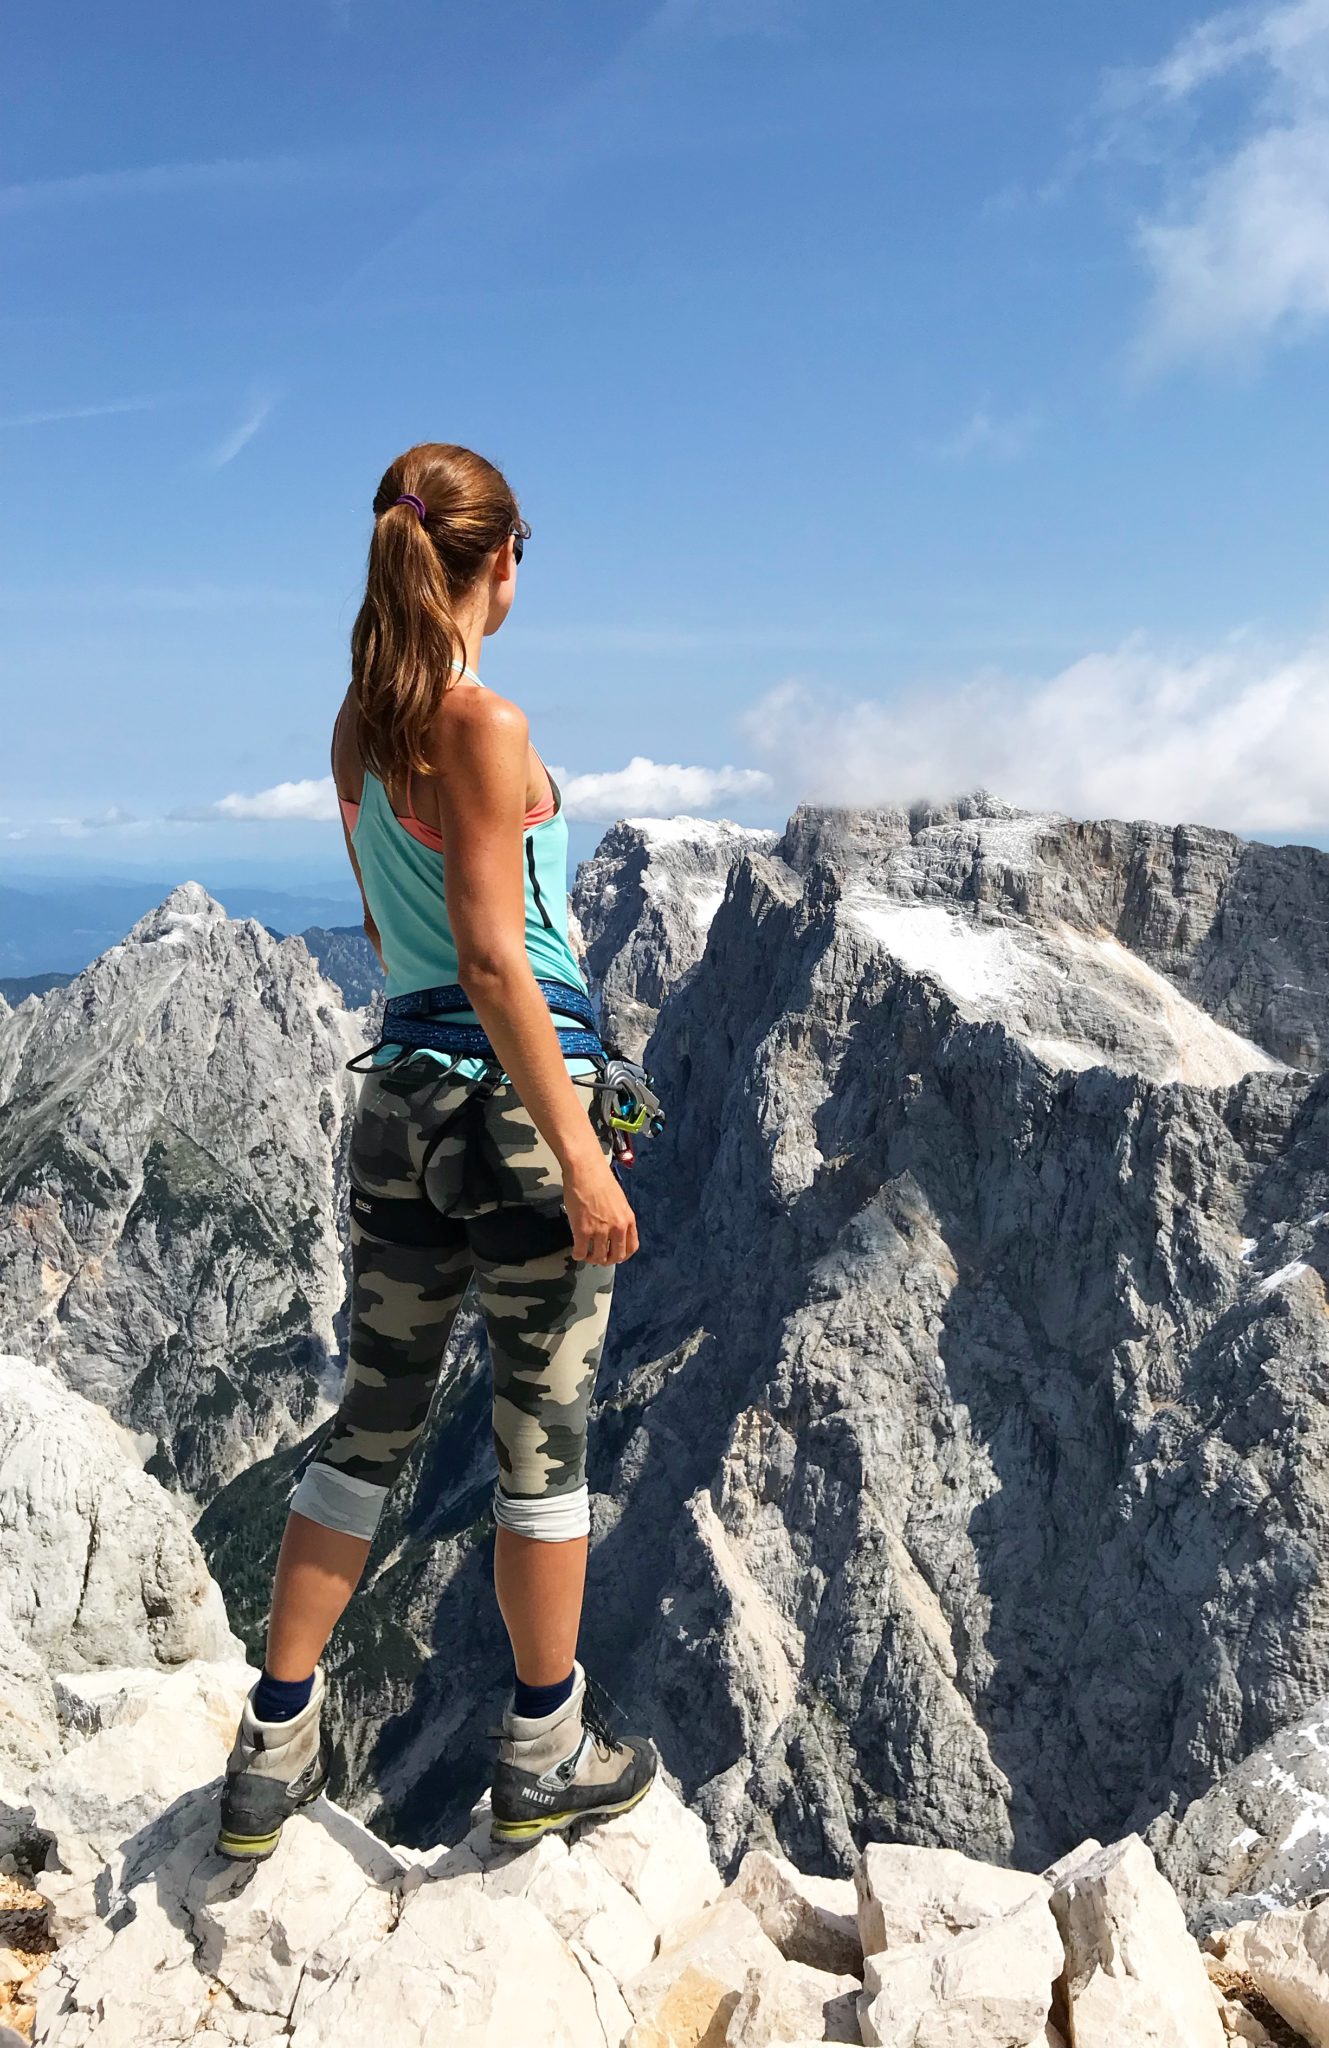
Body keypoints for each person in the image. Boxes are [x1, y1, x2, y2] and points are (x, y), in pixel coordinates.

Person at [217, 442, 657, 1861]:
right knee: (544, 1443)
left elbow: (402, 937)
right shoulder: (490, 724)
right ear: (501, 562)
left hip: (396, 1106)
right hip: (519, 1112)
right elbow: (490, 953)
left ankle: (269, 1745)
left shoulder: (355, 732)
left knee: (370, 1424)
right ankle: (545, 1747)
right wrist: (583, 1151)